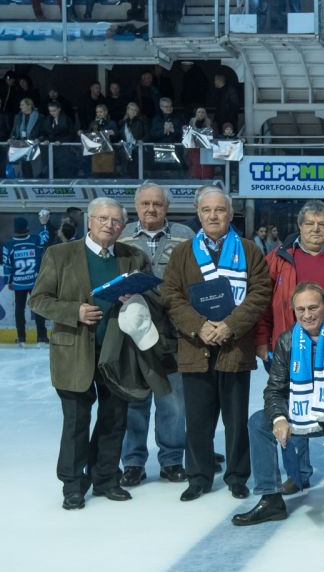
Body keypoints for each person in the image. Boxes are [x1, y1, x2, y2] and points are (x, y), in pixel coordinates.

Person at [30, 198, 146, 510]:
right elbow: (38, 300)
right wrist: (74, 312)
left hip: (117, 352)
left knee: (114, 419)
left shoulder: (132, 256)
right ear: (90, 221)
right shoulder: (60, 254)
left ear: (123, 226)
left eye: (116, 221)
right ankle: (72, 484)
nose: (110, 225)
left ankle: (106, 478)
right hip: (74, 353)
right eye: (103, 219)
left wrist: (135, 299)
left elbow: (147, 299)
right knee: (76, 422)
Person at [160, 186, 271, 502]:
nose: (213, 216)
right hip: (196, 347)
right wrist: (200, 327)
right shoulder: (183, 253)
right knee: (197, 420)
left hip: (234, 348)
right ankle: (198, 477)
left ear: (230, 214)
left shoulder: (249, 250)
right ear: (198, 214)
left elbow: (260, 293)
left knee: (235, 421)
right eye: (206, 210)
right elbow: (171, 295)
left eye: (219, 210)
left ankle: (237, 476)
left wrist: (229, 326)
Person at [254, 201, 324, 492]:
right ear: (300, 227)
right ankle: (298, 473)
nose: (316, 229)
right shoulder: (278, 258)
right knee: (294, 407)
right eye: (310, 224)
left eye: (322, 224)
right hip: (290, 348)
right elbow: (263, 303)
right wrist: (262, 339)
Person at [234, 283, 324, 524]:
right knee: (258, 421)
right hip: (303, 412)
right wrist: (279, 418)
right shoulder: (286, 341)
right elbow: (274, 389)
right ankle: (270, 499)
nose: (307, 315)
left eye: (313, 307)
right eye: (300, 309)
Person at [118, 183, 196, 488]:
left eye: (157, 204)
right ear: (136, 206)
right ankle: (133, 462)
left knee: (172, 402)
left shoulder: (185, 235)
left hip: (173, 335)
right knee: (134, 401)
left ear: (167, 207)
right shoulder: (122, 235)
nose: (151, 209)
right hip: (132, 336)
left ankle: (172, 460)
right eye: (145, 204)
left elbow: (196, 276)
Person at [2, 214, 49, 346]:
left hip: (18, 283)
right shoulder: (34, 240)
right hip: (35, 282)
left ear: (15, 229)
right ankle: (42, 338)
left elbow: (7, 265)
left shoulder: (9, 244)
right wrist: (43, 224)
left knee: (19, 310)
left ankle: (21, 338)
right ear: (27, 228)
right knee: (38, 308)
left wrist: (9, 281)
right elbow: (45, 238)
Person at [39, 100, 76, 178]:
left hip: (64, 151)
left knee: (63, 171)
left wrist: (61, 141)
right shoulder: (47, 120)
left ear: (59, 109)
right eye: (50, 111)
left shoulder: (66, 119)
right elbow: (44, 133)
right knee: (51, 170)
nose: (52, 113)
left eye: (54, 111)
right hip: (51, 151)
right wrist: (45, 140)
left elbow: (72, 134)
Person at [83, 104, 119, 178]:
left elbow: (116, 134)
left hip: (108, 152)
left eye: (101, 112)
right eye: (97, 112)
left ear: (106, 112)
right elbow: (90, 135)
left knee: (108, 174)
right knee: (97, 174)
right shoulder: (93, 123)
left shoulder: (111, 123)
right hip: (96, 153)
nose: (99, 114)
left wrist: (111, 133)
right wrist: (96, 125)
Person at [10, 98, 42, 178]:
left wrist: (39, 139)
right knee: (24, 168)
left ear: (29, 106)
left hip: (34, 146)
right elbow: (14, 131)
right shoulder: (18, 117)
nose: (20, 107)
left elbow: (43, 132)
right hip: (21, 145)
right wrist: (12, 138)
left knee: (35, 169)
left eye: (22, 105)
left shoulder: (40, 117)